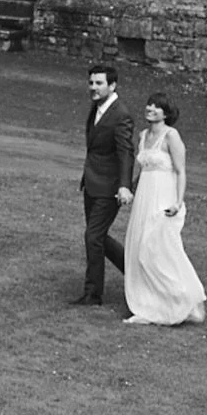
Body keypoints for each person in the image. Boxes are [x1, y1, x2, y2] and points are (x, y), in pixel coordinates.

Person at [122, 93, 206, 325]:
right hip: (144, 198)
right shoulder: (143, 135)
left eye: (157, 107)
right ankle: (149, 302)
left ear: (166, 113)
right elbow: (145, 169)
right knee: (139, 246)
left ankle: (184, 298)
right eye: (149, 104)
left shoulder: (172, 136)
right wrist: (129, 189)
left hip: (164, 196)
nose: (150, 108)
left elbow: (180, 171)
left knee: (159, 248)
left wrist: (178, 202)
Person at [73, 64, 134, 307]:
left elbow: (126, 152)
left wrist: (124, 185)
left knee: (93, 236)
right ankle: (135, 273)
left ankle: (93, 294)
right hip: (91, 183)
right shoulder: (97, 108)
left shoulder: (121, 114)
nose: (93, 88)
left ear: (112, 85)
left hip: (109, 187)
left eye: (99, 84)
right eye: (91, 83)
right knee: (98, 237)